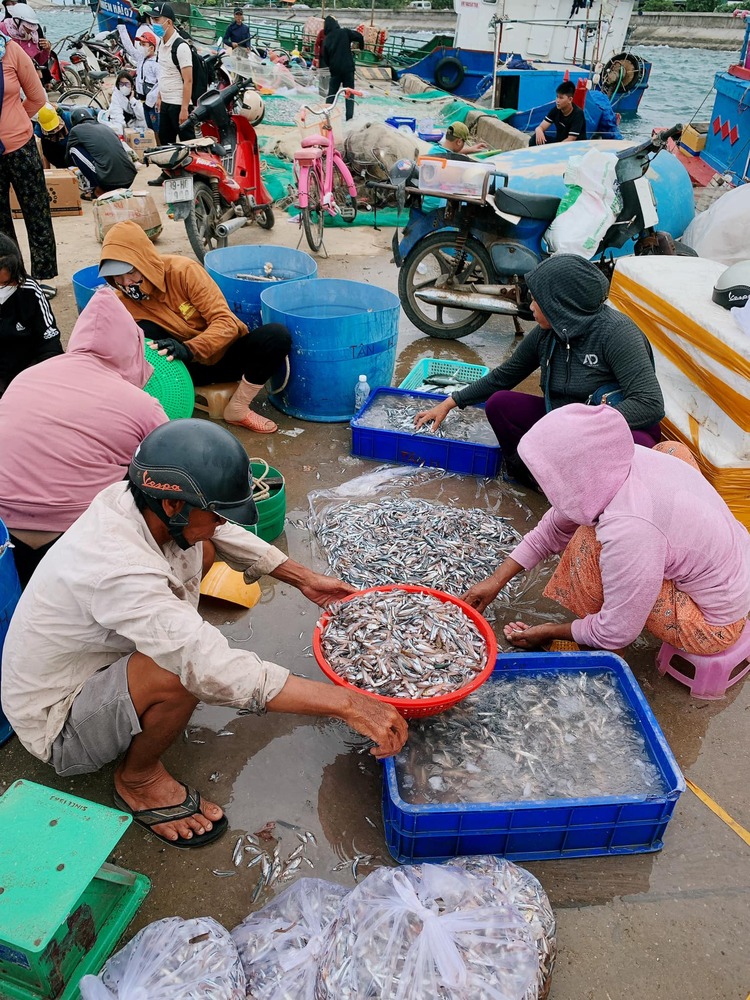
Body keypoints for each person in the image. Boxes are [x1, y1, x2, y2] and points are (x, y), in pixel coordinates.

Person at [1, 419, 408, 847]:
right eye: (214, 512)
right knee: (180, 672)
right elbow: (209, 669)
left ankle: (148, 694)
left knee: (204, 545)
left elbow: (220, 531)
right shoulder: (116, 567)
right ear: (173, 505)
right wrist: (348, 703)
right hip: (58, 722)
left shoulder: (140, 500)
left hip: (97, 659)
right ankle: (137, 781)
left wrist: (301, 576)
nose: (219, 521)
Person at [463, 404, 750, 658]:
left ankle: (597, 651)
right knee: (671, 450)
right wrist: (496, 580)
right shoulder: (619, 459)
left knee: (590, 542)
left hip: (714, 624)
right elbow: (553, 526)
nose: (543, 487)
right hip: (734, 566)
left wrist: (551, 631)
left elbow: (617, 630)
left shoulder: (630, 528)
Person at [415, 254, 665, 487]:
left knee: (640, 447)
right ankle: (532, 478)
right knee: (500, 403)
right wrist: (450, 402)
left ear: (561, 304)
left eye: (538, 300)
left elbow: (650, 404)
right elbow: (504, 376)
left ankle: (595, 494)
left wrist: (583, 427)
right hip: (562, 423)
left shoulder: (617, 334)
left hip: (600, 428)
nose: (531, 306)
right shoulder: (548, 334)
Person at [0, 287, 167, 584]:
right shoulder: (142, 404)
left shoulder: (27, 377)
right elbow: (173, 466)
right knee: (156, 485)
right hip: (75, 536)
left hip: (5, 530)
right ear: (132, 346)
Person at [99, 220, 290, 434]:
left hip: (226, 357)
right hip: (183, 370)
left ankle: (238, 408)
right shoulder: (121, 301)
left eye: (131, 272)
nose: (126, 283)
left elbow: (225, 322)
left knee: (276, 335)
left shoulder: (183, 271)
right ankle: (163, 403)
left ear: (144, 262)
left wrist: (190, 349)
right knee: (142, 335)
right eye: (117, 276)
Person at [0, 34, 57, 297]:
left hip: (21, 148)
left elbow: (36, 96)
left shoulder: (11, 51)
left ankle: (43, 277)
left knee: (36, 213)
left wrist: (15, 120)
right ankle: (12, 279)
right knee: (1, 222)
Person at [0, 231, 61, 399]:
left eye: (8, 282)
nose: (5, 288)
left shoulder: (30, 290)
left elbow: (50, 341)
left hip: (28, 371)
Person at [150, 1, 195, 152]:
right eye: (152, 20)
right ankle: (169, 174)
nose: (153, 23)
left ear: (168, 22)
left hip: (179, 103)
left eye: (157, 20)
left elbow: (188, 80)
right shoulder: (161, 44)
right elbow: (164, 73)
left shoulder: (181, 47)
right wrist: (160, 96)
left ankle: (193, 175)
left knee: (188, 144)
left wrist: (184, 108)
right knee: (165, 143)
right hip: (166, 103)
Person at [66, 107, 138, 196]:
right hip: (129, 178)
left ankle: (98, 190)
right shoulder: (106, 127)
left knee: (73, 149)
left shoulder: (76, 130)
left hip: (107, 182)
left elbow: (67, 158)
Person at [116, 24, 160, 137]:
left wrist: (151, 100)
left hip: (152, 104)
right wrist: (122, 28)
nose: (140, 47)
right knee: (149, 129)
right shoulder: (141, 59)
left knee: (157, 130)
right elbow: (129, 47)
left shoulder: (156, 64)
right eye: (140, 44)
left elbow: (160, 84)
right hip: (142, 102)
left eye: (143, 44)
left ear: (152, 47)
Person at [320, 16, 363, 121]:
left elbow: (325, 57)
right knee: (349, 93)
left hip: (335, 70)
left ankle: (327, 115)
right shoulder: (344, 32)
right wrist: (361, 47)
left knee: (331, 94)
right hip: (348, 68)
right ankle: (349, 117)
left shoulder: (326, 40)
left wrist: (332, 65)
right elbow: (359, 36)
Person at [0, 3, 50, 83]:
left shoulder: (33, 35)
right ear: (17, 21)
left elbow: (38, 60)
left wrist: (46, 50)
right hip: (7, 77)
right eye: (27, 27)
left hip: (27, 77)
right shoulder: (3, 28)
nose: (30, 31)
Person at [529, 80, 586, 146]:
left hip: (574, 147)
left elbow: (571, 139)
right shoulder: (556, 110)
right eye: (557, 97)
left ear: (570, 100)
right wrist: (539, 130)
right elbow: (541, 127)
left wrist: (554, 148)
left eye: (561, 98)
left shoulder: (578, 114)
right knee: (534, 139)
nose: (557, 100)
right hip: (559, 142)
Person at [107, 69, 147, 134]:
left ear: (132, 86)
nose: (124, 87)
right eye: (121, 84)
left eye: (127, 84)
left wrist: (132, 100)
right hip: (123, 123)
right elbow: (117, 115)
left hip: (135, 123)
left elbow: (141, 116)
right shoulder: (116, 95)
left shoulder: (136, 95)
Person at [35, 103, 70, 169]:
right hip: (56, 154)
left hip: (69, 150)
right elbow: (39, 145)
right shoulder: (40, 125)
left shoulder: (68, 118)